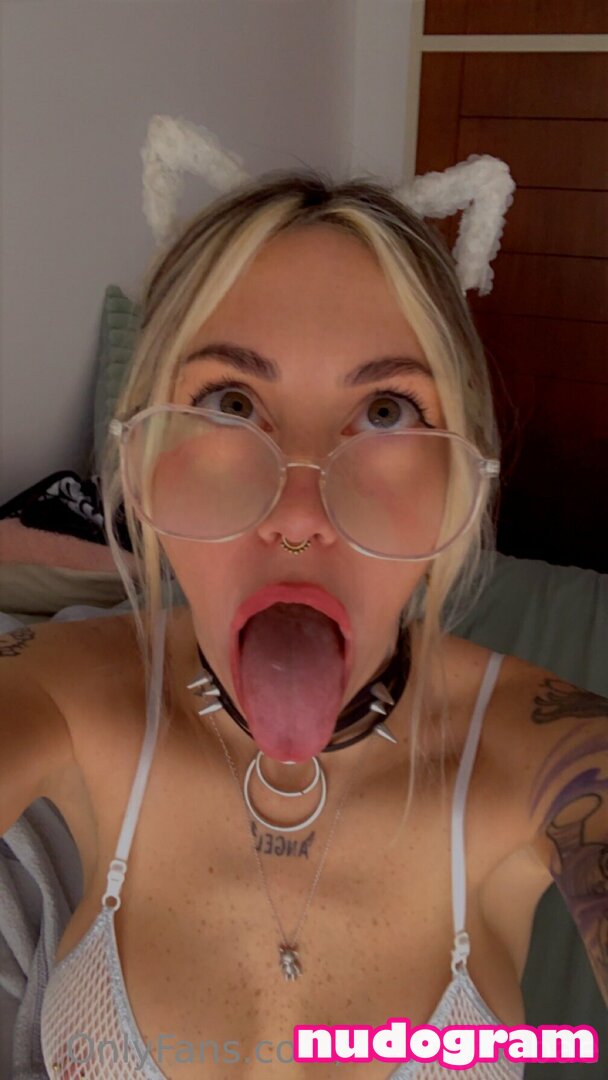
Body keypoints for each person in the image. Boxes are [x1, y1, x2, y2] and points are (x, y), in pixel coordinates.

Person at [2, 174, 606, 1078]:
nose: (298, 513)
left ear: (461, 483)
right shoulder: (58, 693)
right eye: (230, 403)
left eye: (386, 412)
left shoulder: (556, 759)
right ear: (145, 459)